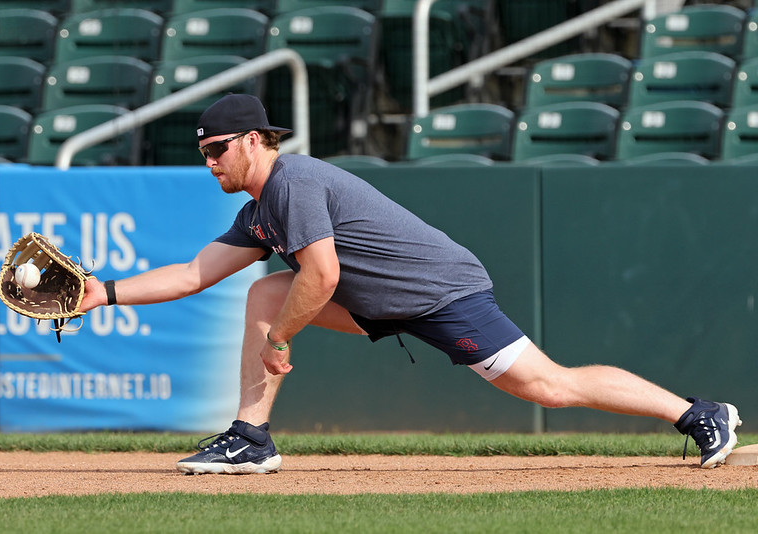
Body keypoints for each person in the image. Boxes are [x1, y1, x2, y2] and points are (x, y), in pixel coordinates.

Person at [80, 94, 741, 474]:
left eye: (218, 148)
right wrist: (100, 292)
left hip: (437, 292)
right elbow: (195, 273)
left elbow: (324, 273)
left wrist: (280, 340)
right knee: (260, 290)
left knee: (548, 386)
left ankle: (700, 414)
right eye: (203, 152)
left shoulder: (294, 182)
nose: (210, 161)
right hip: (381, 300)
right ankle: (251, 438)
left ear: (255, 139)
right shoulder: (260, 211)